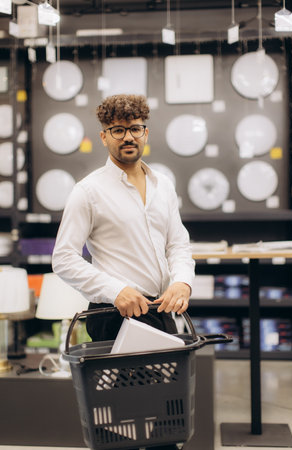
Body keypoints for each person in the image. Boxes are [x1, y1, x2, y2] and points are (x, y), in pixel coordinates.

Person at [52, 94, 195, 449]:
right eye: (118, 130)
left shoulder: (164, 186)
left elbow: (178, 243)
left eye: (135, 128)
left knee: (165, 426)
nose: (127, 137)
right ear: (104, 136)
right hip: (112, 319)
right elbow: (64, 258)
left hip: (160, 317)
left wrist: (182, 281)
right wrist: (116, 289)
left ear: (146, 132)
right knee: (118, 429)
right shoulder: (89, 191)